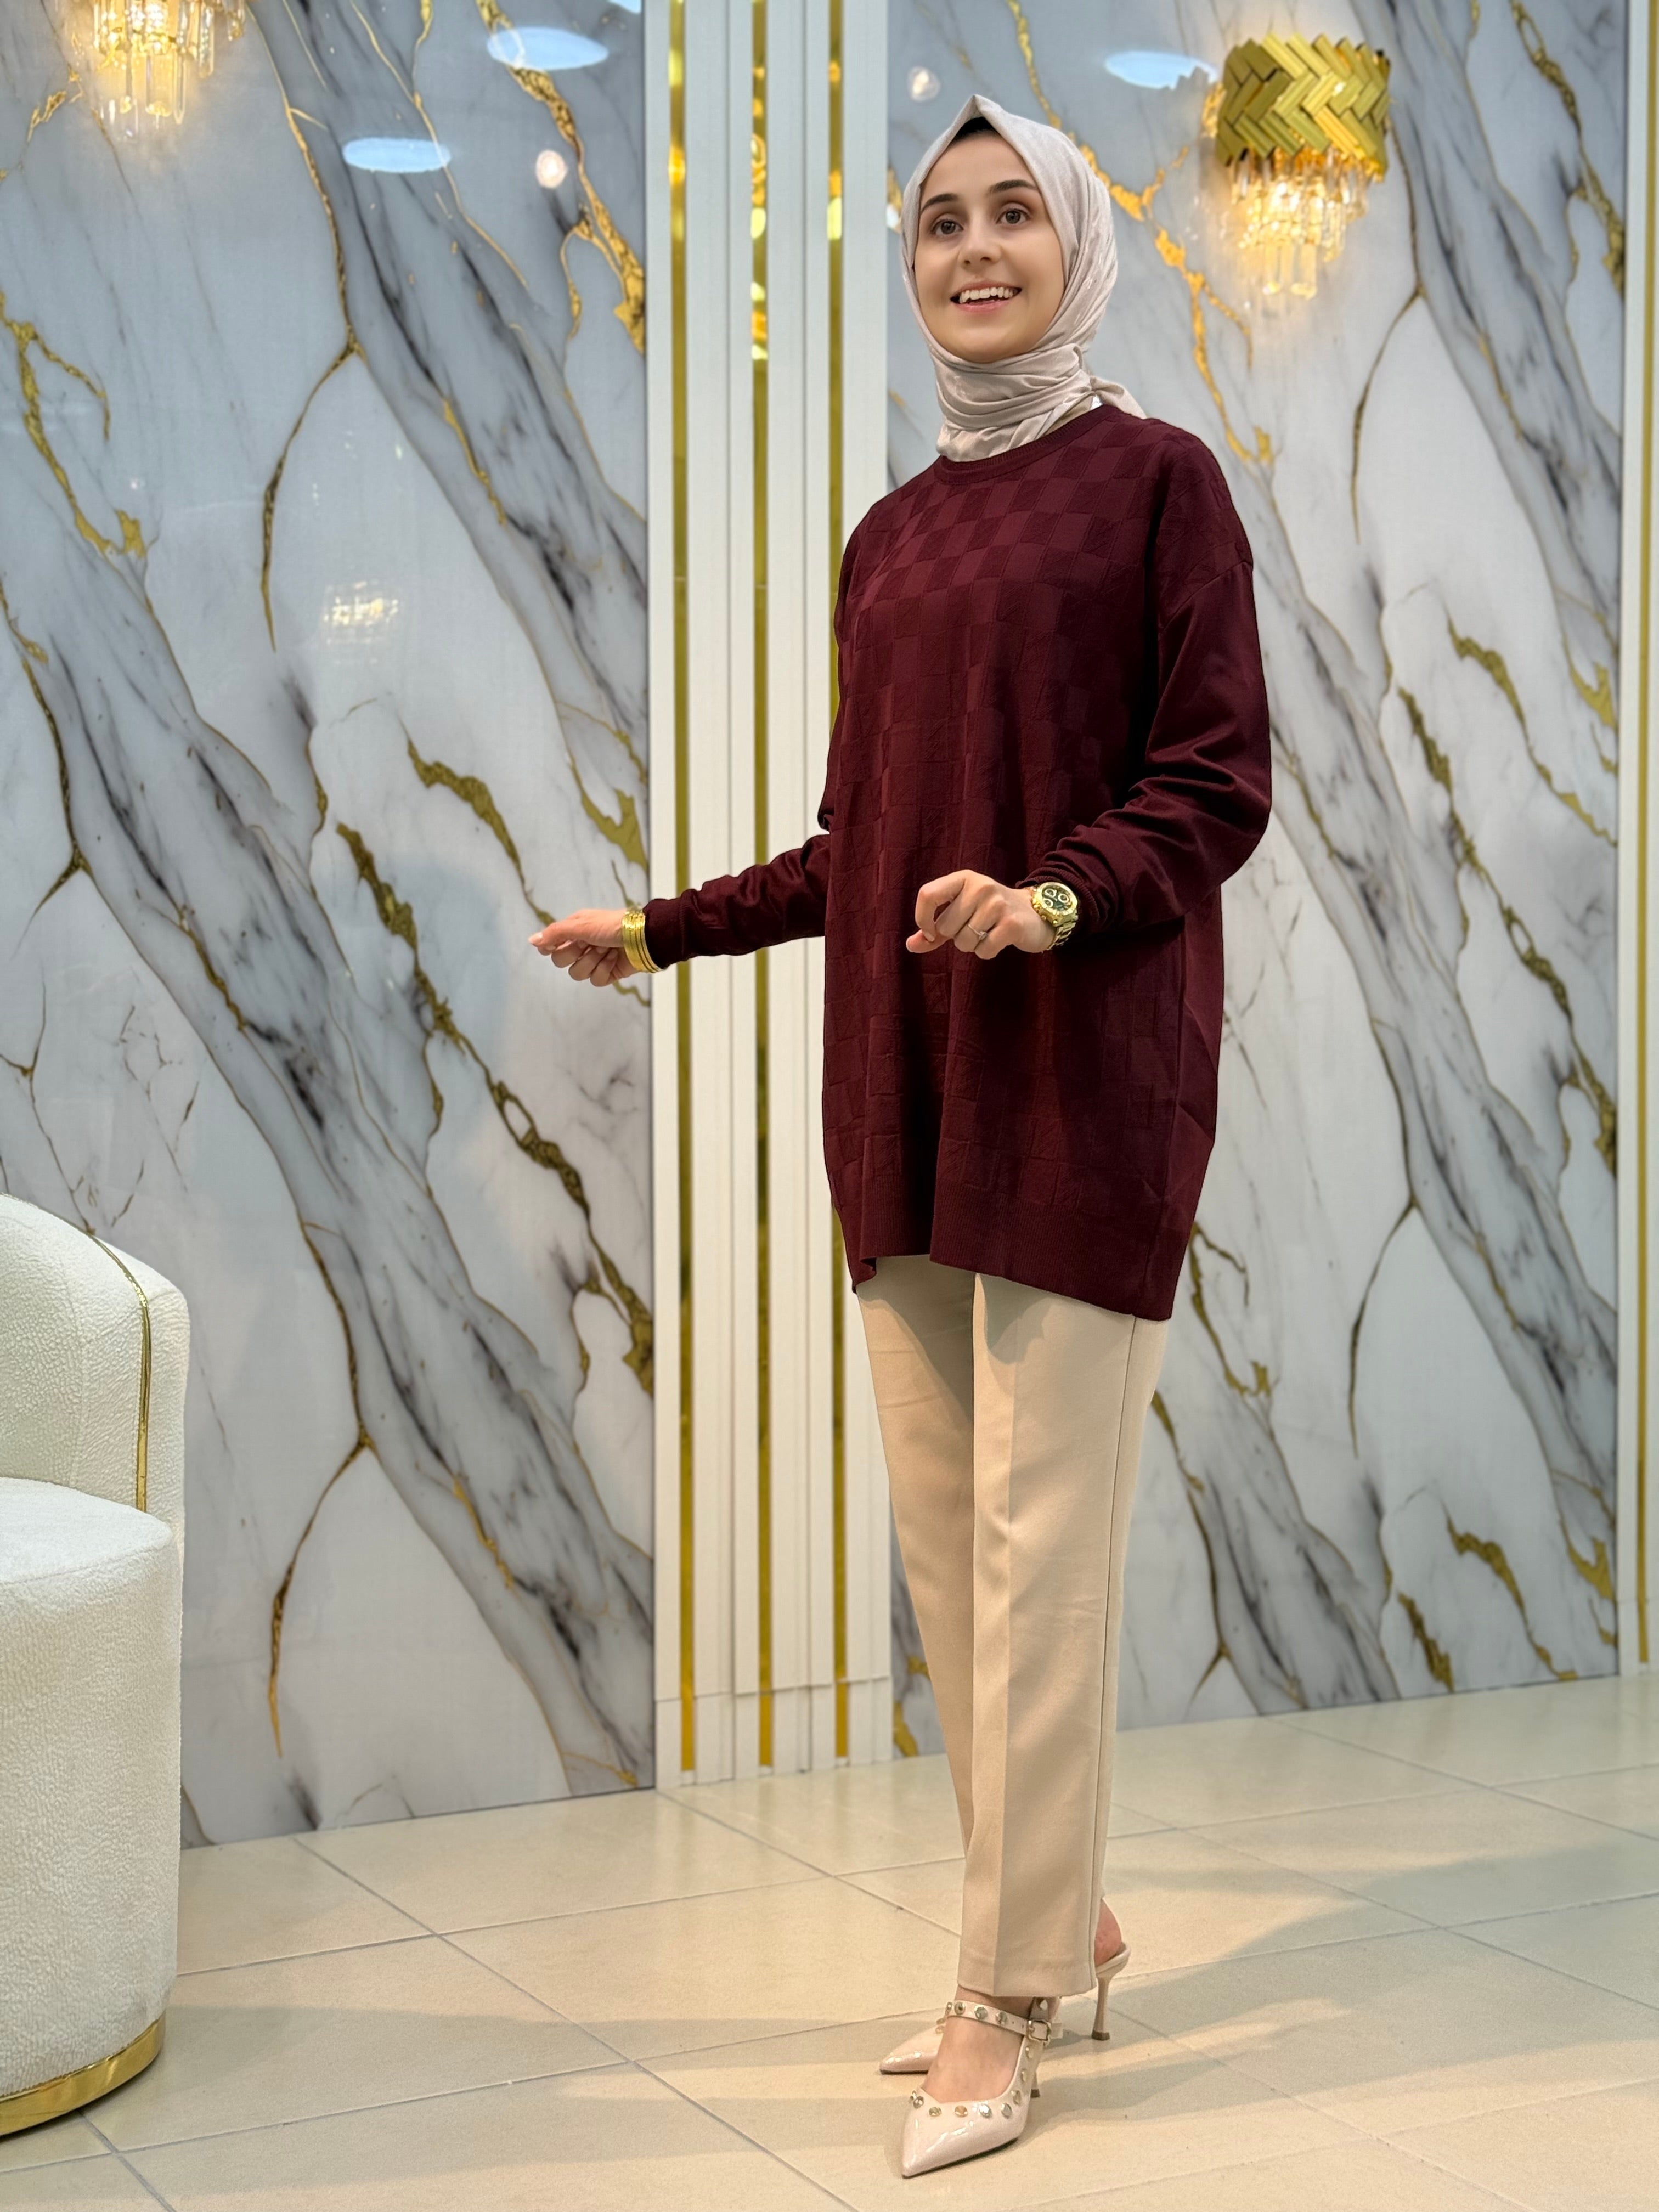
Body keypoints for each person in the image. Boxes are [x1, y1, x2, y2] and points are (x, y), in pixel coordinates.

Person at [533, 92, 1271, 2180]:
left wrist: (1053, 900)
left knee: (1044, 1557)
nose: (974, 249)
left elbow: (1215, 781)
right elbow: (863, 840)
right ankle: (1070, 1917)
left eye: (1014, 212)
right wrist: (663, 929)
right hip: (906, 1087)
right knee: (956, 1551)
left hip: (1083, 1081)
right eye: (943, 221)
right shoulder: (892, 534)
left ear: (1078, 245)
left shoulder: (1160, 482)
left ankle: (1004, 1992)